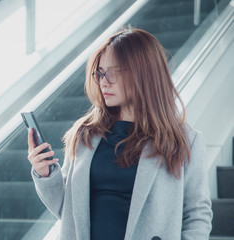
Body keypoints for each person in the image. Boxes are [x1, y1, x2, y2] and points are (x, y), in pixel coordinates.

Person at [27, 28, 212, 240]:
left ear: (143, 73)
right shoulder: (85, 133)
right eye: (100, 72)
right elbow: (68, 211)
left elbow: (197, 215)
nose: (104, 81)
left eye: (114, 72)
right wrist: (45, 174)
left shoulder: (184, 140)